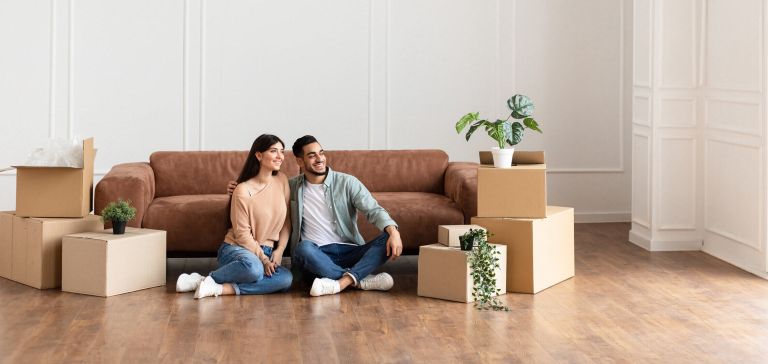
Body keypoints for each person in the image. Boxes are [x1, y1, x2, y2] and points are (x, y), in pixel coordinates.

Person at [228, 135, 404, 297]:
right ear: (300, 161)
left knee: (388, 235)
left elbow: (373, 210)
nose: (320, 159)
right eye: (312, 155)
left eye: (321, 153)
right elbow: (263, 192)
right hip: (315, 254)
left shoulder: (347, 182)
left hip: (350, 249)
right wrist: (238, 188)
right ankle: (360, 278)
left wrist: (393, 231)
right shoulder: (290, 186)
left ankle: (342, 282)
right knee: (303, 248)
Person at [176, 134, 293, 299]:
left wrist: (280, 250)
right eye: (274, 151)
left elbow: (287, 220)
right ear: (259, 155)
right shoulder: (243, 190)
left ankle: (215, 287)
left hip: (267, 251)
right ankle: (209, 279)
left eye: (282, 151)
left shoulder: (282, 180)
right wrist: (263, 260)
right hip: (238, 249)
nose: (280, 156)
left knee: (286, 279)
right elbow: (242, 235)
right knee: (254, 269)